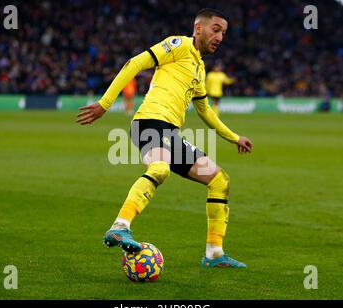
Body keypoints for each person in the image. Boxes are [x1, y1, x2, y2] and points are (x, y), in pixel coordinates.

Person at [77, 8, 253, 268]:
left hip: (171, 133)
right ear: (198, 28)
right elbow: (135, 63)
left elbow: (204, 110)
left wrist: (234, 137)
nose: (220, 37)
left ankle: (214, 253)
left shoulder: (199, 69)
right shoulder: (179, 44)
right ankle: (119, 226)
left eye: (224, 33)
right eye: (216, 30)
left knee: (219, 180)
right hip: (149, 123)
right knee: (160, 168)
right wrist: (105, 103)